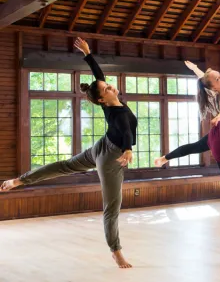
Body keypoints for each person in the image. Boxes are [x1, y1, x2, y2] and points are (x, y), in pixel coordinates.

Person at [1, 37, 136, 268]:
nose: (110, 85)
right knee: (112, 207)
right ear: (103, 98)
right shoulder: (117, 111)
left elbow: (98, 76)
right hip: (111, 156)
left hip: (100, 147)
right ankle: (116, 251)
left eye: (108, 85)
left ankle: (19, 181)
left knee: (63, 166)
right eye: (107, 87)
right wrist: (128, 150)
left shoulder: (106, 102)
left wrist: (87, 53)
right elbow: (125, 132)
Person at [155, 62, 220, 248]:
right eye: (217, 78)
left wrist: (195, 69)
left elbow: (203, 78)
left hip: (219, 136)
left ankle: (164, 158)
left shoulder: (214, 90)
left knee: (195, 146)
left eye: (219, 74)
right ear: (215, 86)